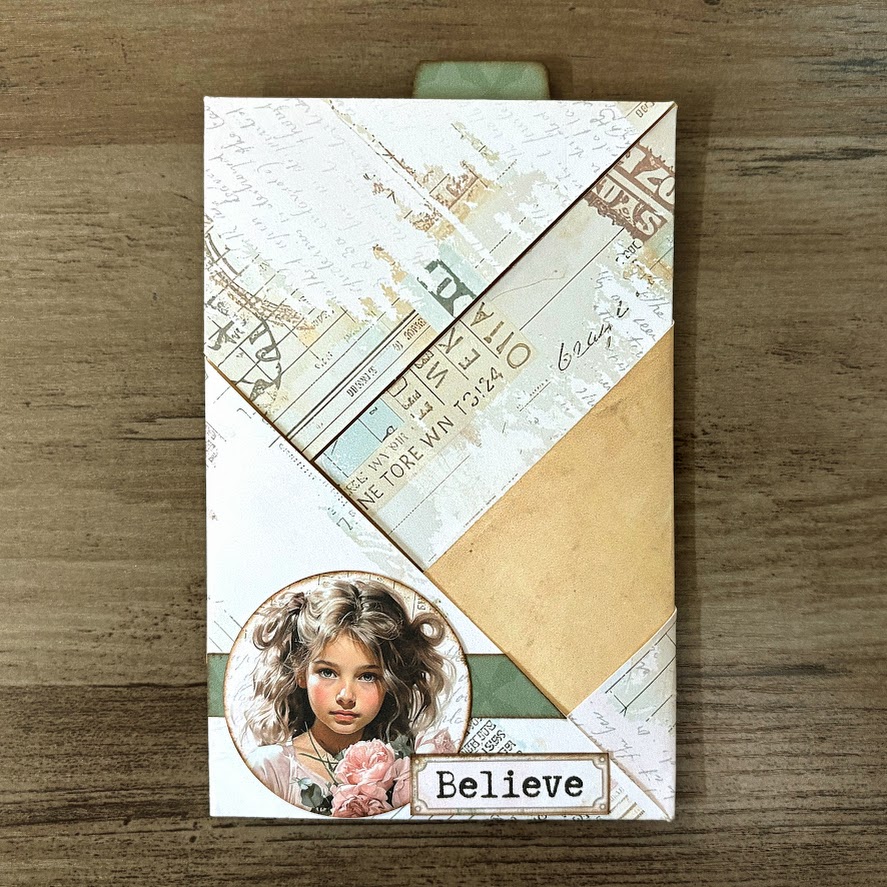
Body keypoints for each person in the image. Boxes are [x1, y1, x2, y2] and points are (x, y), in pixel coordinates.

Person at [242, 576, 452, 816]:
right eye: (327, 672)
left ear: (390, 683)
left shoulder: (402, 771)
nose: (346, 696)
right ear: (301, 673)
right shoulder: (270, 768)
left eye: (367, 676)